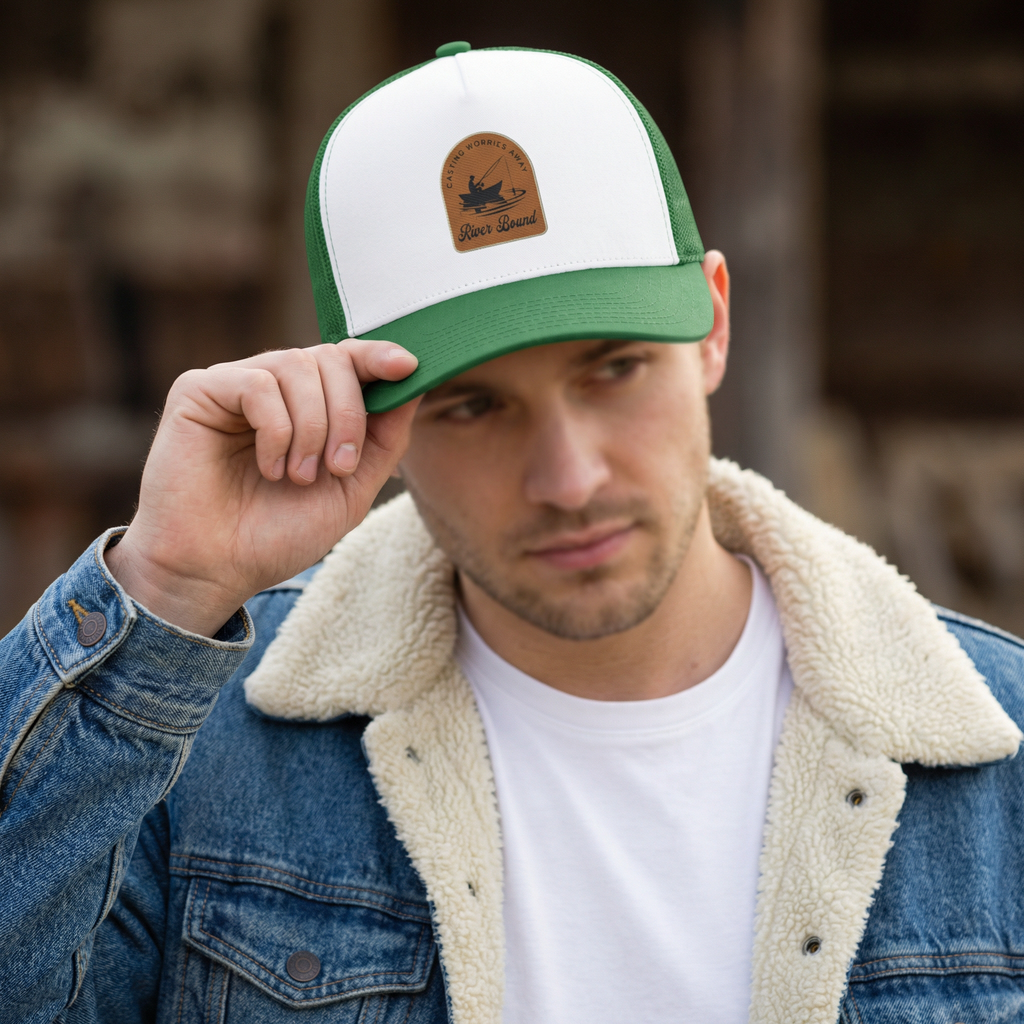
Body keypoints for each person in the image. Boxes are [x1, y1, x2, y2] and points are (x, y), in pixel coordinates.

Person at [2, 43, 1023, 1024]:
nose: (568, 479)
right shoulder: (193, 750)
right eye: (472, 407)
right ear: (363, 418)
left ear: (712, 322)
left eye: (613, 368)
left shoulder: (999, 754)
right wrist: (165, 584)